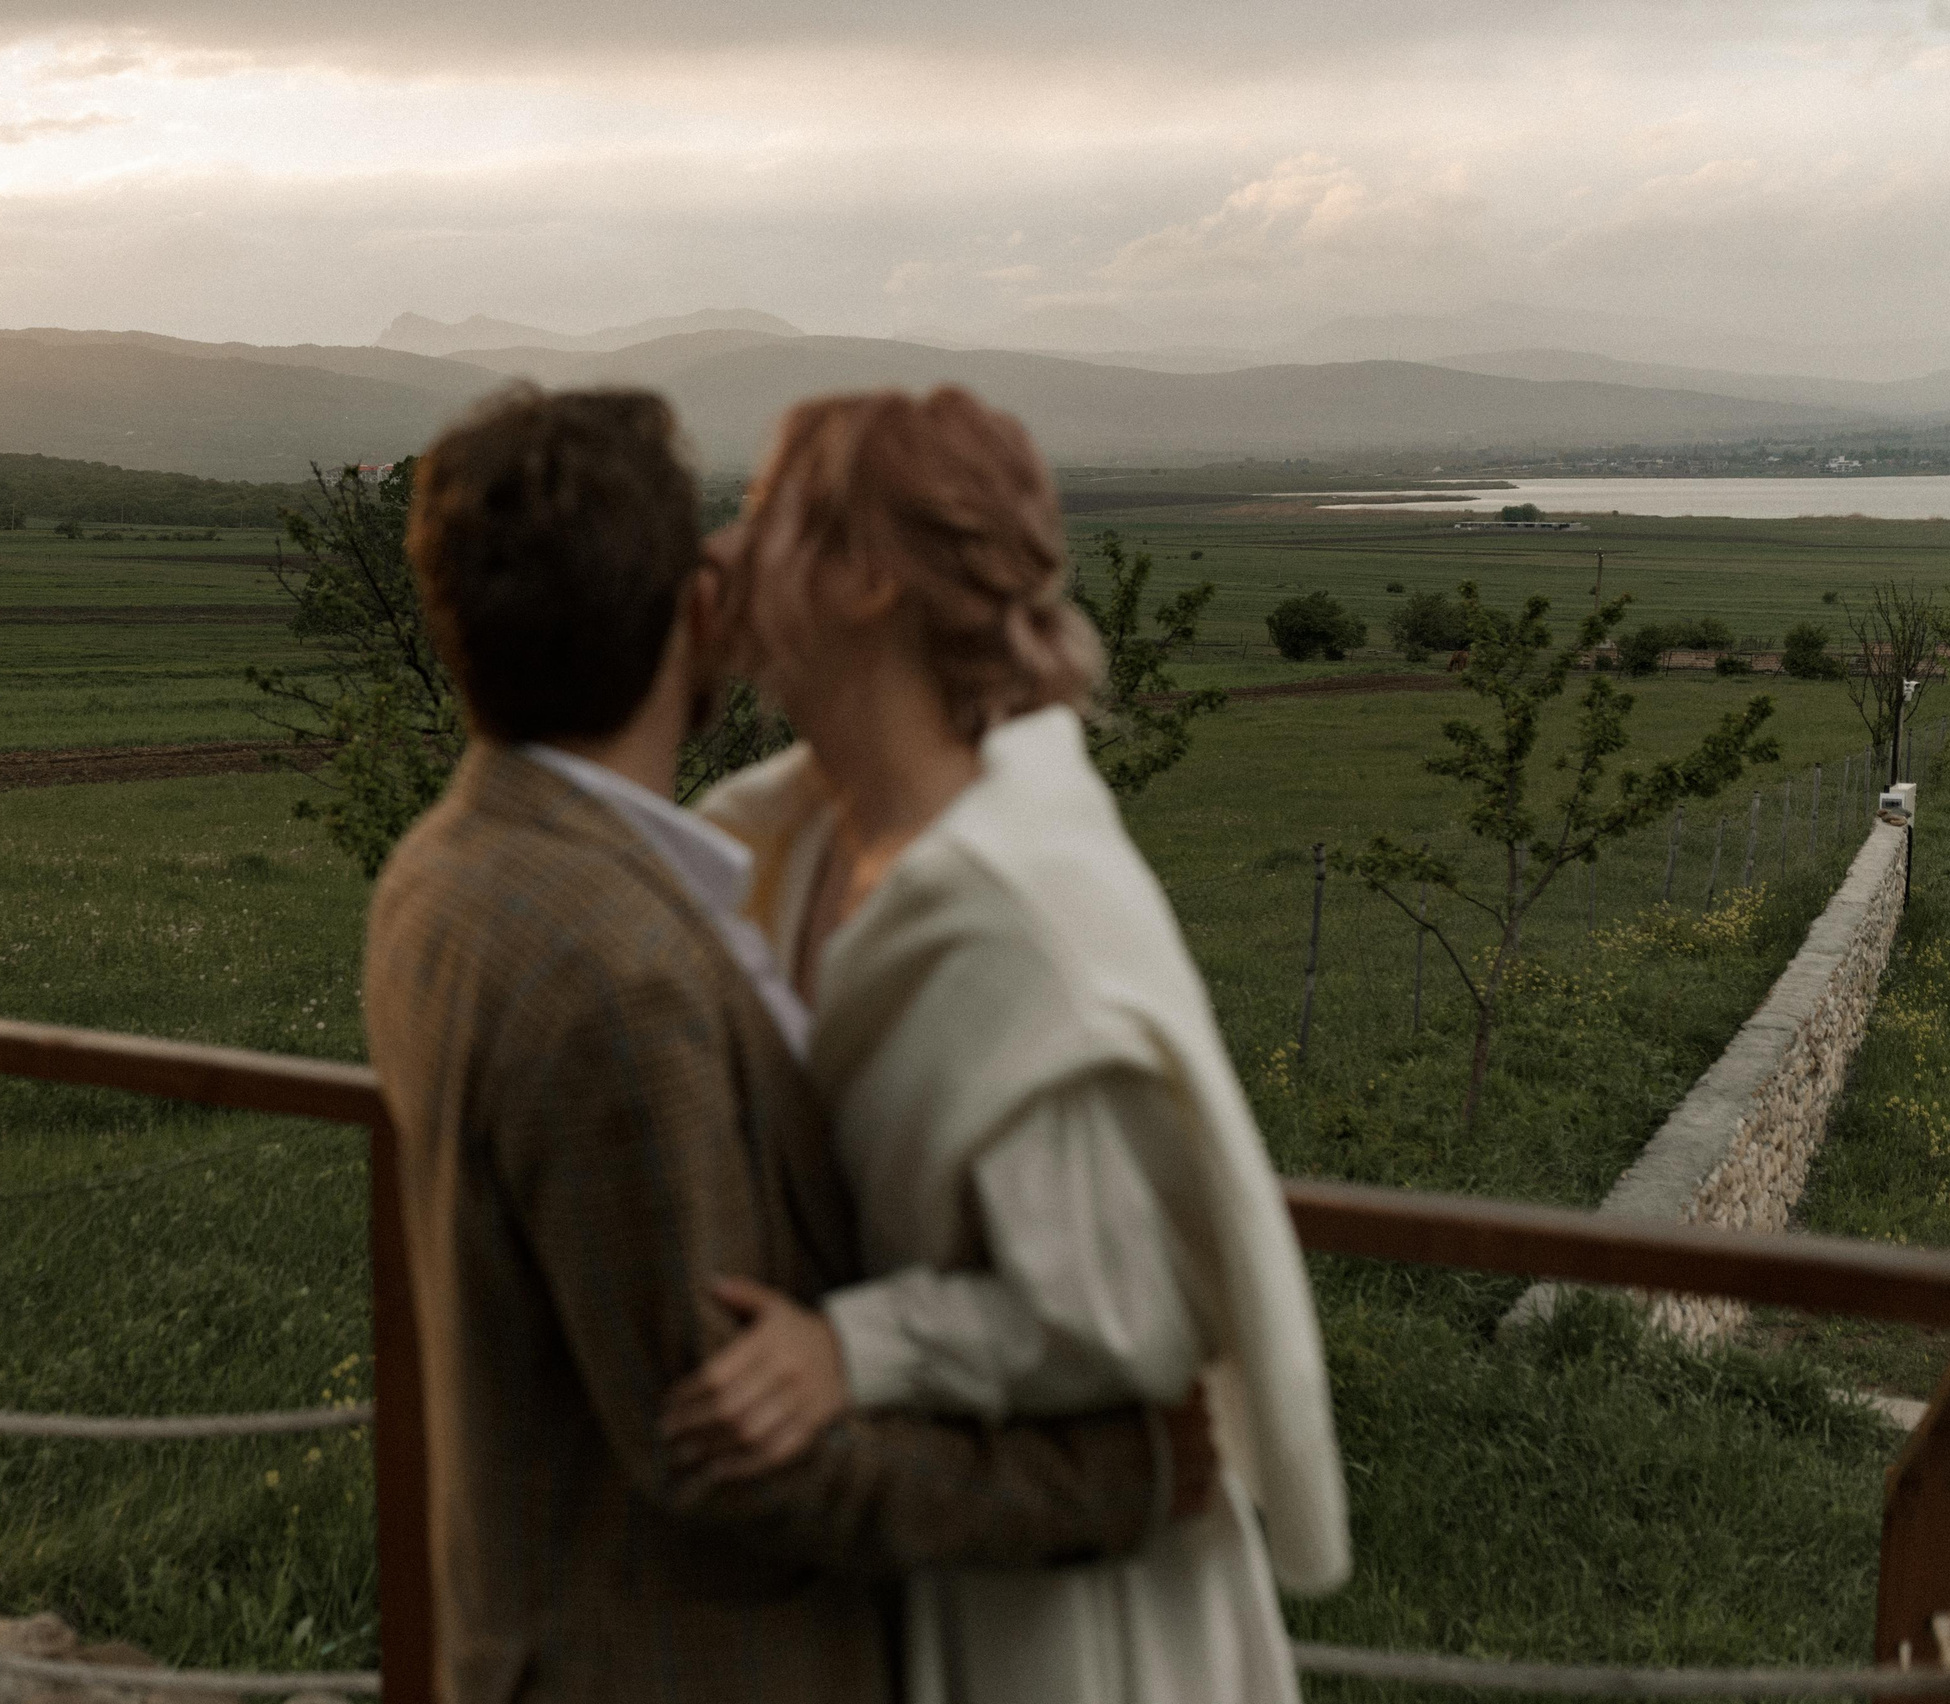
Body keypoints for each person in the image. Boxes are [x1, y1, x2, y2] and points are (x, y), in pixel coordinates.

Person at [362, 385, 1221, 1704]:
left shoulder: (443, 865)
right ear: (693, 609)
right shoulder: (619, 976)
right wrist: (1127, 1476)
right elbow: (724, 1447)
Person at [662, 387, 1351, 1704]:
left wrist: (854, 1351)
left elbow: (1119, 1315)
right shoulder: (789, 833)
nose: (724, 553)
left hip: (1065, 1620)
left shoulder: (1018, 913)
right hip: (893, 1554)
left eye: (764, 517)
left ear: (868, 576)